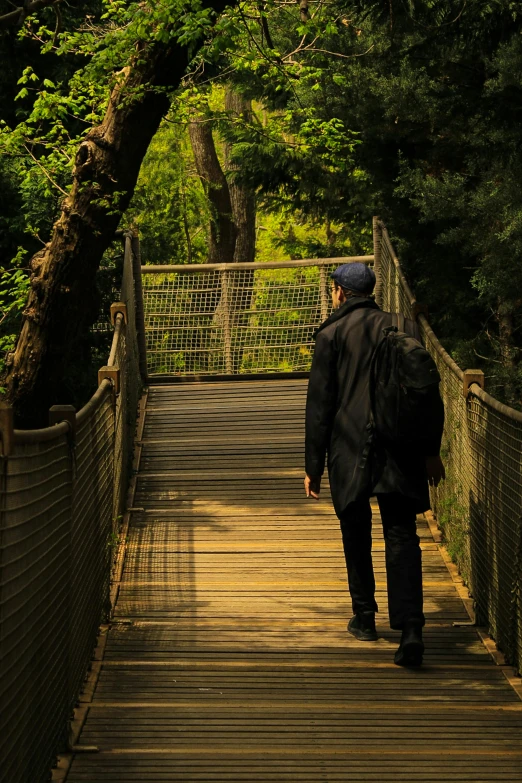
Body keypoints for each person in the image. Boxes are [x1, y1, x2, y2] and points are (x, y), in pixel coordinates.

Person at [304, 262, 445, 667]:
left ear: (339, 292)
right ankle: (412, 628)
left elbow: (320, 406)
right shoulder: (404, 325)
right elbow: (427, 393)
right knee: (402, 535)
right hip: (400, 447)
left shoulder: (330, 334)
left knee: (355, 530)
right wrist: (430, 449)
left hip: (350, 448)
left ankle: (364, 618)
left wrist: (313, 465)